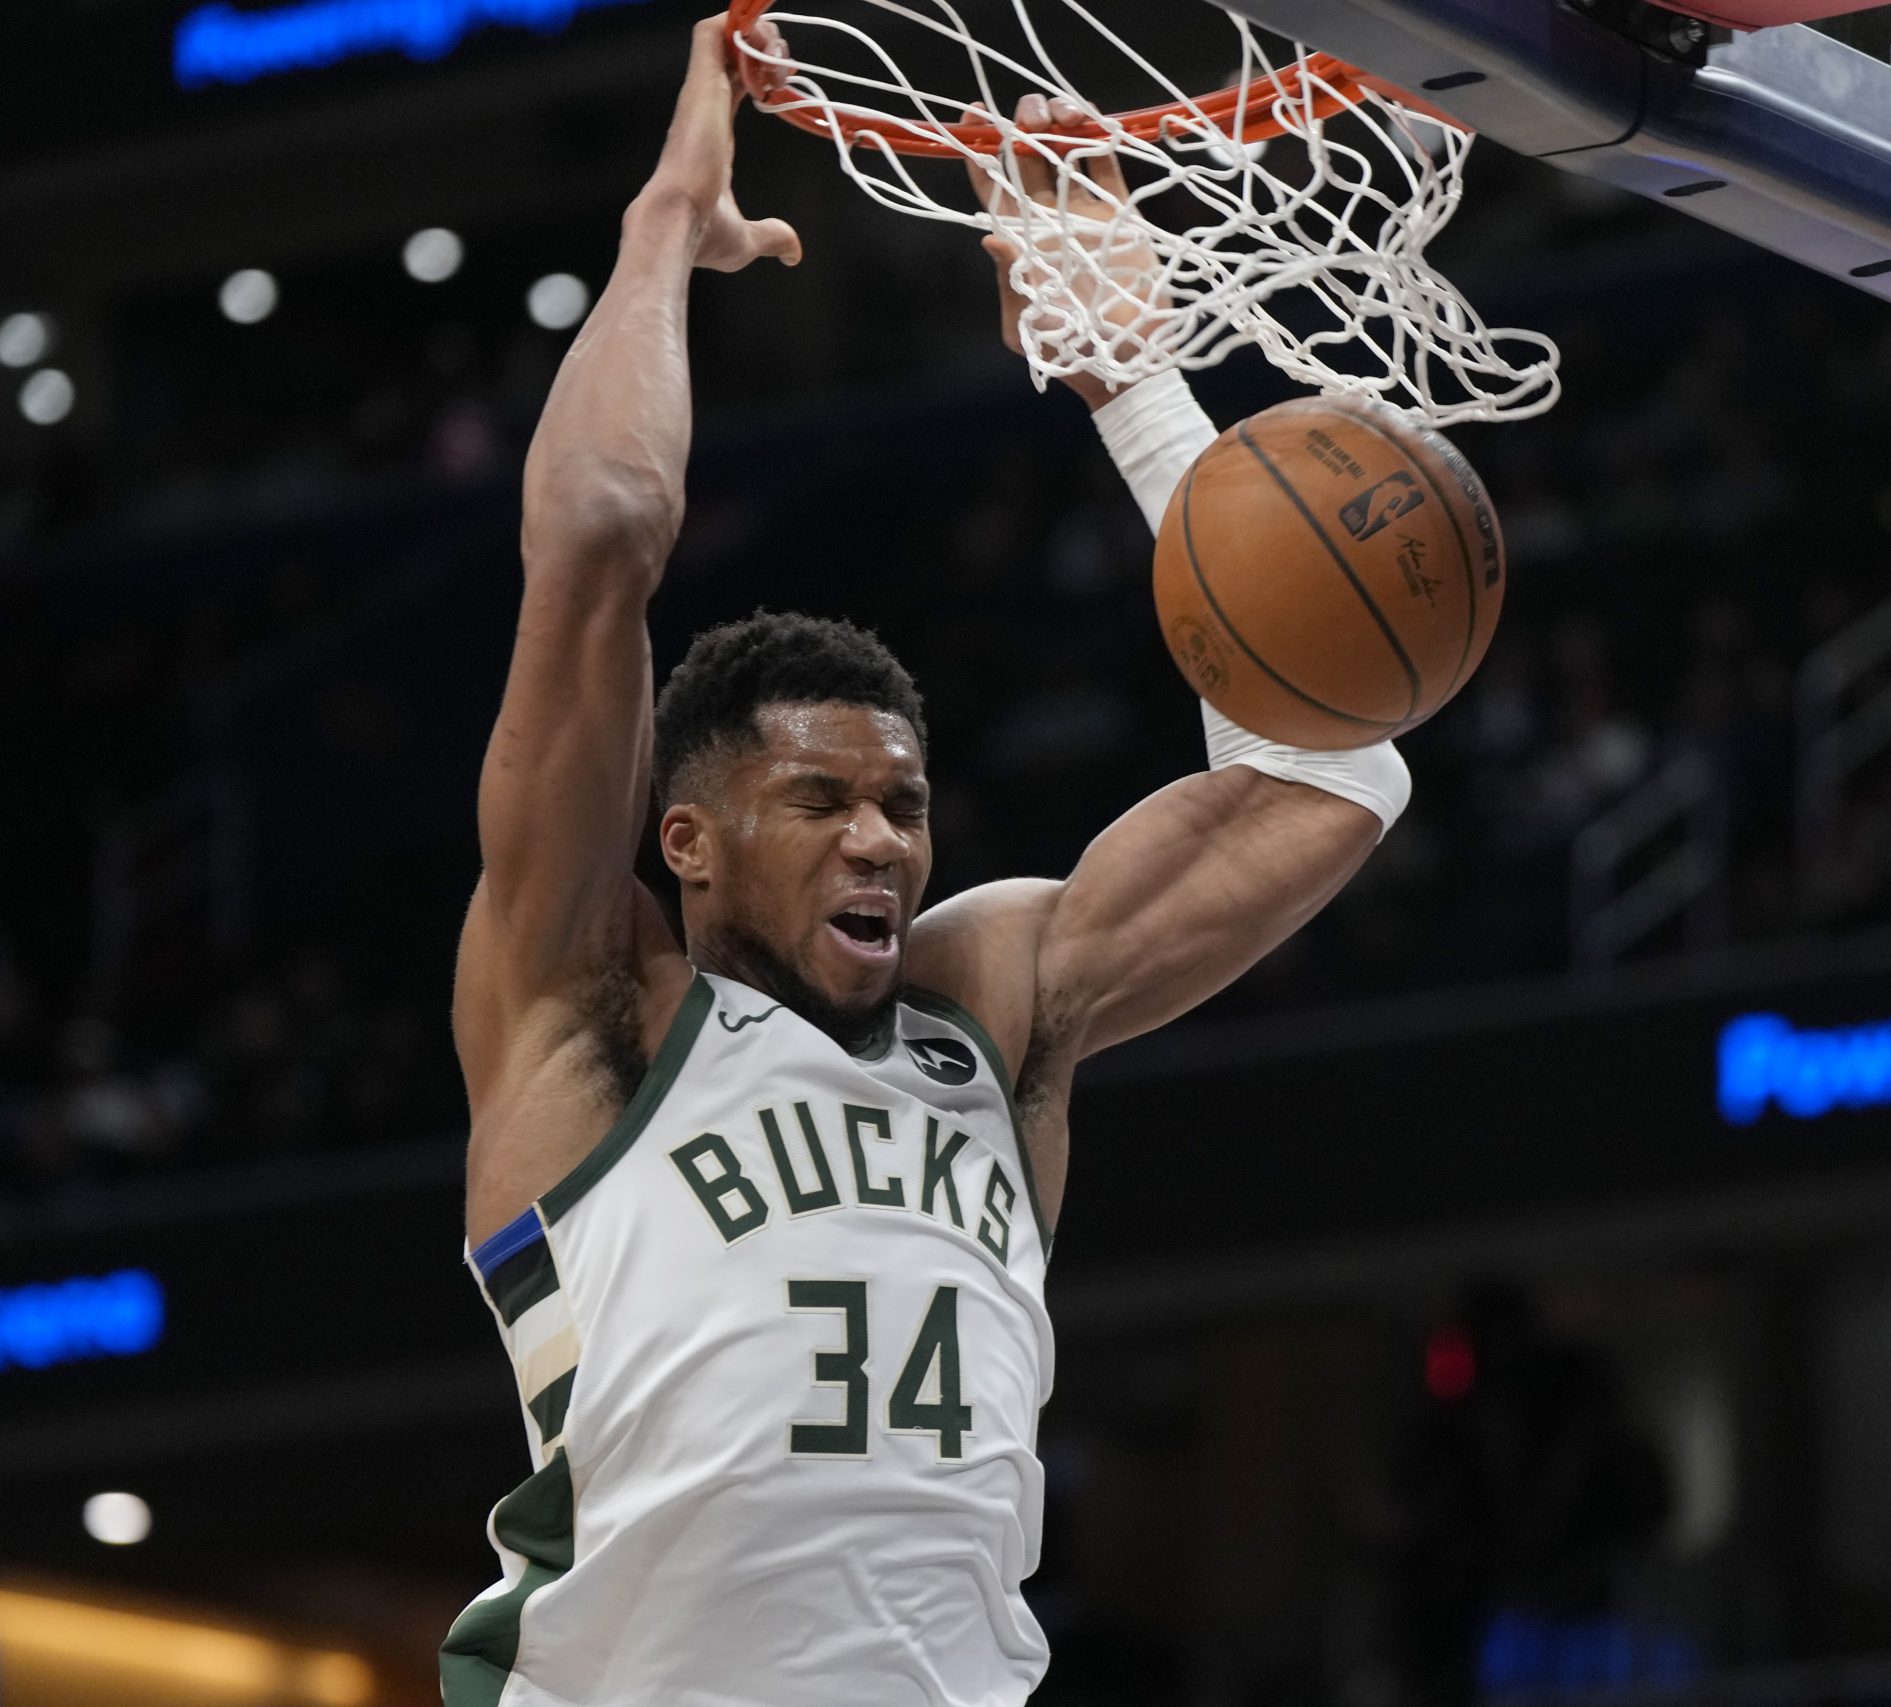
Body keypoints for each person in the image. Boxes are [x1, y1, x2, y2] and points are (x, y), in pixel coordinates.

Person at [441, 18, 1414, 1706]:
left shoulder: (994, 1007)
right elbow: (595, 533)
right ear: (689, 842)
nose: (882, 837)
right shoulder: (595, 1025)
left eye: (904, 803)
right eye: (821, 802)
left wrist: (1126, 375)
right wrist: (664, 231)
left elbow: (1334, 773)